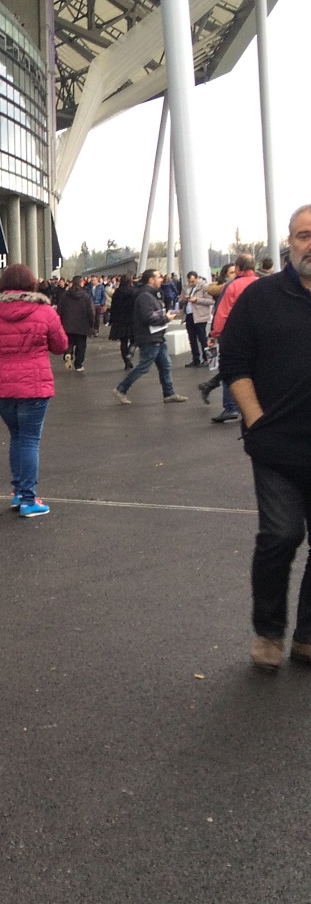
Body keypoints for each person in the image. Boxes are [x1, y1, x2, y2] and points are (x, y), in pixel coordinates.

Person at [219, 205, 311, 670]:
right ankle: (268, 632)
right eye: (304, 235)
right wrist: (256, 421)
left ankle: (307, 636)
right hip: (277, 446)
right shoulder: (261, 298)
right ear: (288, 243)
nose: (310, 244)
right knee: (280, 535)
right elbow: (234, 364)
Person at [0, 263, 68, 517]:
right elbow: (61, 346)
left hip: (2, 386)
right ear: (32, 284)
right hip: (35, 384)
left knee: (17, 436)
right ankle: (28, 499)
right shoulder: (44, 311)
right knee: (30, 440)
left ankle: (19, 492)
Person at [113, 270, 189, 405]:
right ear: (151, 279)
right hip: (149, 337)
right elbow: (147, 317)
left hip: (157, 336)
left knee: (165, 365)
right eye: (159, 277)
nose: (162, 279)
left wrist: (166, 315)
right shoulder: (145, 296)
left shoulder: (151, 295)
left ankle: (169, 393)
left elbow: (153, 314)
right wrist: (166, 318)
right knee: (144, 366)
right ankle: (121, 389)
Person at [201, 255, 258, 424]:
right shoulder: (263, 283)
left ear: (239, 268)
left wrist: (214, 334)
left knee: (232, 367)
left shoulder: (232, 286)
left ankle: (230, 407)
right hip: (259, 334)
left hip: (235, 335)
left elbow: (222, 312)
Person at [56, 276, 96, 372]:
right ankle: (78, 365)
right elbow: (91, 312)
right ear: (81, 283)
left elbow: (59, 310)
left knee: (69, 342)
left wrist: (60, 322)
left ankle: (68, 353)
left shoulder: (65, 295)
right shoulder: (86, 296)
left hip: (67, 324)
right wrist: (91, 324)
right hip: (82, 325)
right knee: (81, 346)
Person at [179, 271, 214, 368]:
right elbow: (181, 298)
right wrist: (183, 298)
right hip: (189, 315)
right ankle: (195, 359)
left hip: (200, 315)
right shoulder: (186, 287)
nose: (191, 283)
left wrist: (197, 300)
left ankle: (207, 359)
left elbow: (211, 301)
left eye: (193, 281)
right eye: (190, 281)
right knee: (192, 338)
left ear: (197, 278)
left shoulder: (205, 287)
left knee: (202, 338)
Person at [107, 274, 137, 369]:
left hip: (120, 320)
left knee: (123, 342)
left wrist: (112, 319)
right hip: (132, 319)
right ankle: (131, 352)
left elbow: (113, 307)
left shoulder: (117, 292)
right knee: (135, 339)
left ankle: (126, 361)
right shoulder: (134, 291)